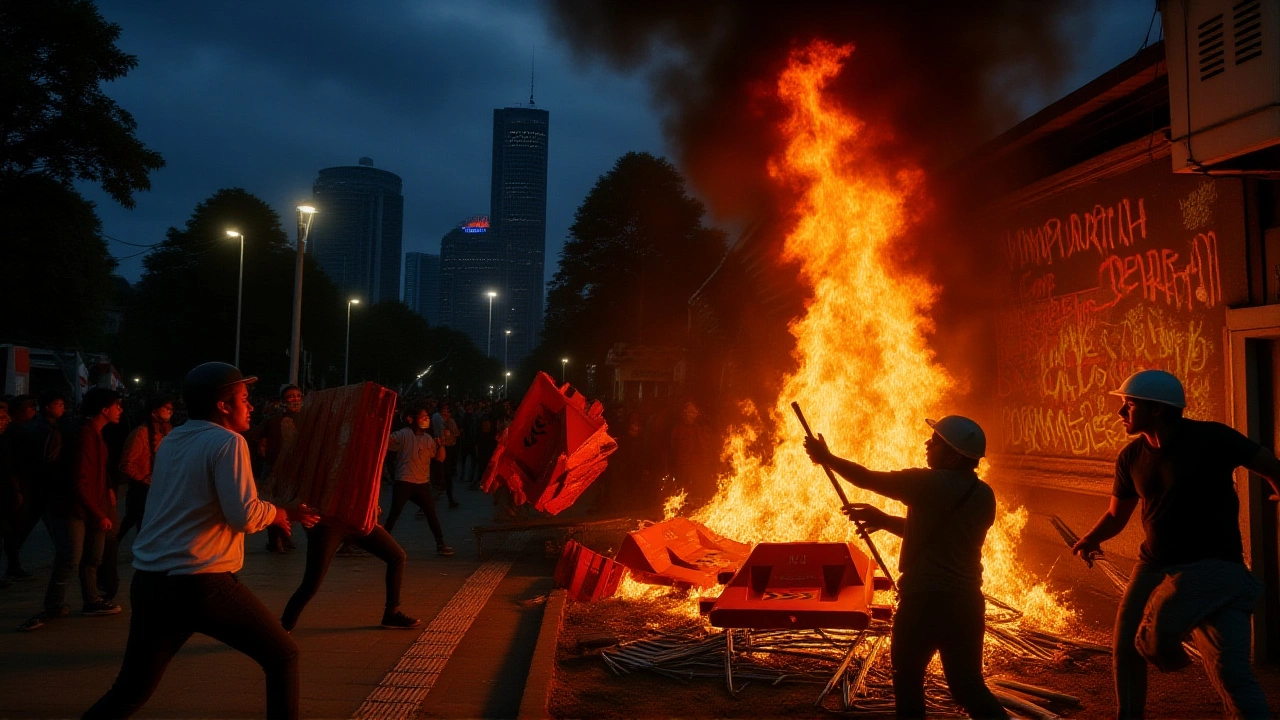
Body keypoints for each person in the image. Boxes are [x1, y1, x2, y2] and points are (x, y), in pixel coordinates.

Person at [84, 362, 318, 720]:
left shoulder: (175, 438)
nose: (251, 406)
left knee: (129, 691)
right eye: (244, 398)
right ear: (223, 406)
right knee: (283, 655)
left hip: (150, 582)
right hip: (200, 583)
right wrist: (277, 514)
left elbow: (206, 502)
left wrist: (280, 508)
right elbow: (243, 515)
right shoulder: (228, 442)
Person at [1071, 370, 1279, 719]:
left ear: (1157, 410)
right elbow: (1116, 515)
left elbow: (1271, 465)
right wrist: (1091, 538)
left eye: (1129, 405)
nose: (1120, 413)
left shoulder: (1212, 438)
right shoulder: (1131, 457)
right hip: (1153, 564)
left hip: (1213, 568)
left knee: (1231, 670)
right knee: (1125, 649)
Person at [805, 415, 1008, 720]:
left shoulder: (927, 483)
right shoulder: (984, 495)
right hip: (966, 605)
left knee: (908, 682)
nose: (928, 444)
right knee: (968, 686)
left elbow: (868, 479)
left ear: (953, 455)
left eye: (936, 442)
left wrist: (827, 458)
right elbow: (943, 533)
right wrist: (886, 521)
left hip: (923, 603)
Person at [280, 515, 418, 630]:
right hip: (330, 523)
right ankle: (285, 625)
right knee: (311, 583)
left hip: (358, 520)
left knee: (397, 557)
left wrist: (372, 516)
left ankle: (391, 613)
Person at [383, 406, 453, 555]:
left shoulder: (428, 439)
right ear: (411, 419)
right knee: (394, 514)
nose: (426, 419)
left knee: (430, 512)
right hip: (404, 481)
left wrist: (441, 445)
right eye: (422, 417)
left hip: (422, 483)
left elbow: (440, 458)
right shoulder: (403, 434)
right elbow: (388, 443)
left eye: (427, 416)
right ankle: (379, 541)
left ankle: (440, 543)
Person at [246, 385, 304, 553]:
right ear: (283, 400)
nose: (295, 399)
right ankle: (275, 540)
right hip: (274, 468)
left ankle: (285, 537)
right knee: (273, 504)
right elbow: (253, 436)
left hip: (296, 468)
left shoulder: (307, 419)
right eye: (290, 396)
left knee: (292, 504)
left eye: (297, 396)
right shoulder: (273, 420)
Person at [116, 395, 174, 541]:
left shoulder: (168, 432)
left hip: (160, 487)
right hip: (142, 488)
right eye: (166, 408)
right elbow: (126, 464)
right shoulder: (140, 433)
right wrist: (144, 478)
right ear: (154, 412)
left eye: (171, 409)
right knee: (136, 520)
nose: (170, 411)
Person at [431, 402, 460, 508]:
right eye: (445, 410)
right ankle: (445, 497)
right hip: (442, 447)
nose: (447, 412)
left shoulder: (436, 418)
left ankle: (448, 497)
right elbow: (454, 433)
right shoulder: (443, 420)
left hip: (442, 447)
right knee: (444, 475)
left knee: (443, 475)